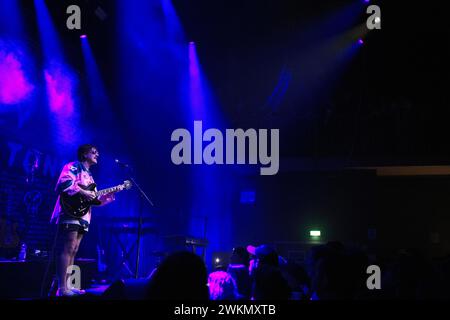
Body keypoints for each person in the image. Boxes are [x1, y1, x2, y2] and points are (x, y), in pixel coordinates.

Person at [50, 144, 116, 297]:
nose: (97, 154)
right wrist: (83, 192)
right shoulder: (74, 166)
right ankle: (61, 288)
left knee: (74, 249)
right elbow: (64, 183)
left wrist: (105, 200)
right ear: (84, 154)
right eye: (94, 152)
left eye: (97, 152)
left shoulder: (91, 177)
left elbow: (92, 200)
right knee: (68, 246)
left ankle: (68, 285)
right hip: (70, 211)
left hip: (83, 215)